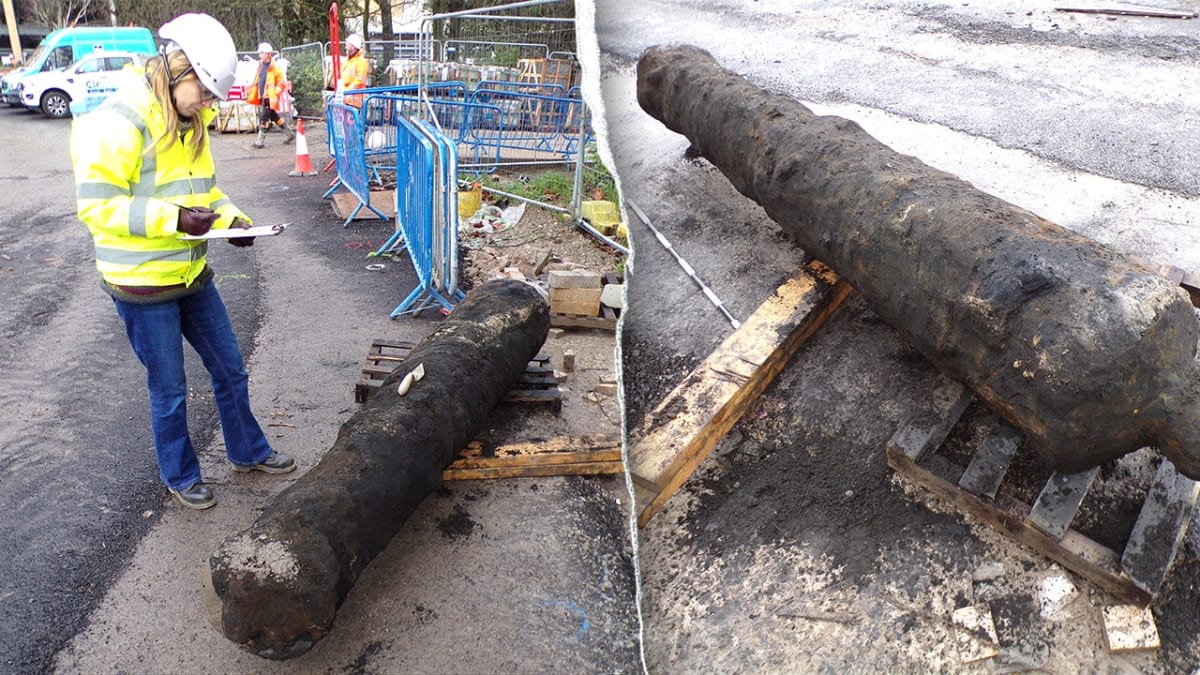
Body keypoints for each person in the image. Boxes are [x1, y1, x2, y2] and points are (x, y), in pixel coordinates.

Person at [68, 12, 295, 511]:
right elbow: (98, 207)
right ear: (178, 68)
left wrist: (232, 219)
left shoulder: (191, 121)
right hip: (141, 284)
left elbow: (203, 191)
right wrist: (174, 220)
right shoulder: (116, 121)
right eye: (207, 93)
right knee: (170, 390)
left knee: (230, 369)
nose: (210, 105)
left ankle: (248, 451)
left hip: (190, 272)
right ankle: (180, 475)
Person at [246, 41, 295, 148]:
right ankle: (290, 134)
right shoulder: (261, 66)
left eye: (261, 53)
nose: (260, 55)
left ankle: (260, 142)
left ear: (268, 54)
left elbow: (281, 83)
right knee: (274, 116)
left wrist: (275, 94)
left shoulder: (275, 68)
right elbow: (258, 80)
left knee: (264, 118)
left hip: (269, 97)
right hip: (264, 96)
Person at [340, 34, 369, 107]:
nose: (345, 46)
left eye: (348, 44)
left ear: (353, 46)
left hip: (354, 101)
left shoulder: (361, 61)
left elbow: (360, 79)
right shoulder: (348, 60)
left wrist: (348, 90)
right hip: (345, 99)